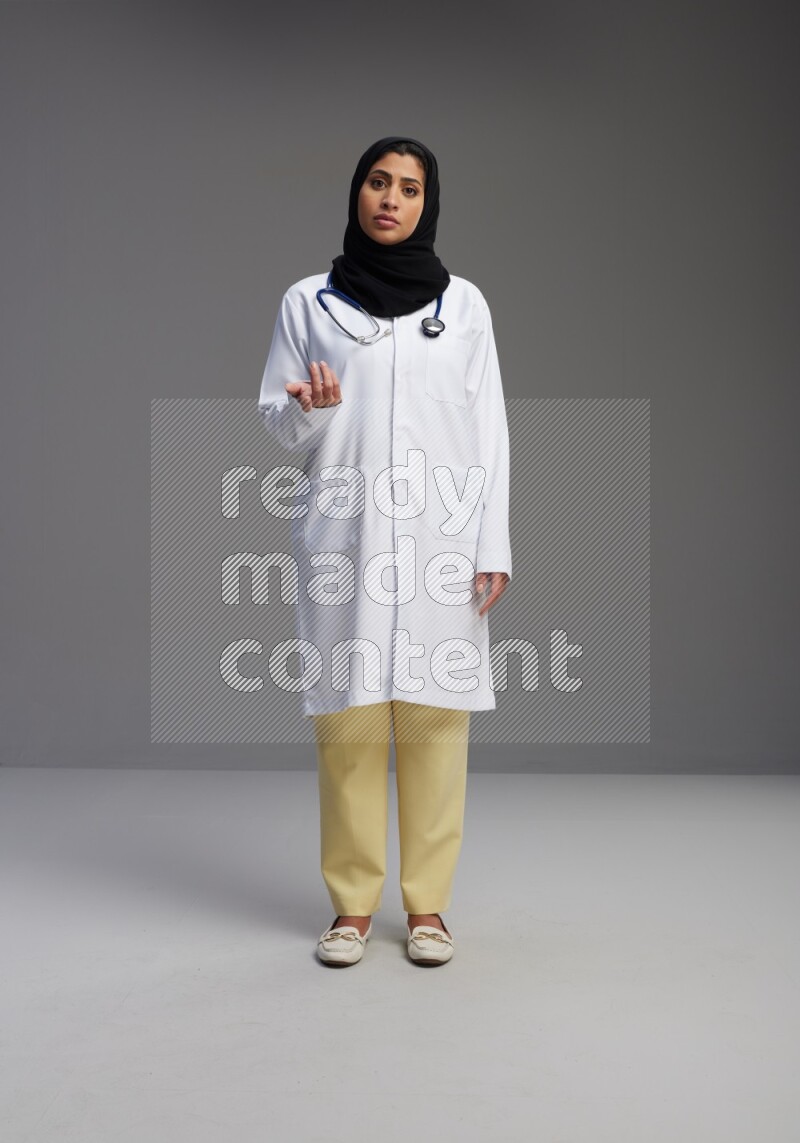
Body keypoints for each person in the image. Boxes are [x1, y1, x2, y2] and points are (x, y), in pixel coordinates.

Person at [257, 136, 511, 967]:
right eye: (378, 182)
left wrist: (492, 541)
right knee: (351, 726)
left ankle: (429, 908)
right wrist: (310, 408)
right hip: (347, 536)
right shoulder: (309, 302)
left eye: (408, 186)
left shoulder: (463, 306)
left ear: (427, 202)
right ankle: (352, 909)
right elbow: (278, 420)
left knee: (437, 725)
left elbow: (490, 431)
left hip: (442, 537)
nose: (391, 199)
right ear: (357, 193)